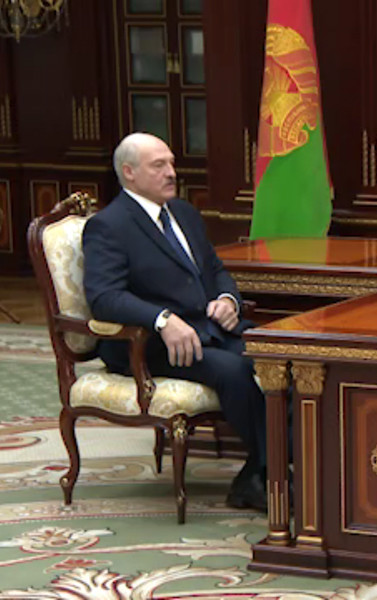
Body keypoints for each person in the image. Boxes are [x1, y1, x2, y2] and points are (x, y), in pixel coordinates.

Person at [83, 132, 268, 511]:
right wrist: (161, 319)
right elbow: (104, 298)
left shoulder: (184, 213)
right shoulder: (109, 225)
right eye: (159, 165)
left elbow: (215, 270)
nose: (171, 172)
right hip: (149, 345)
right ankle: (275, 473)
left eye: (171, 163)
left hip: (209, 328)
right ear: (129, 172)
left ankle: (262, 471)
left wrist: (227, 299)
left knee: (280, 356)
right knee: (234, 372)